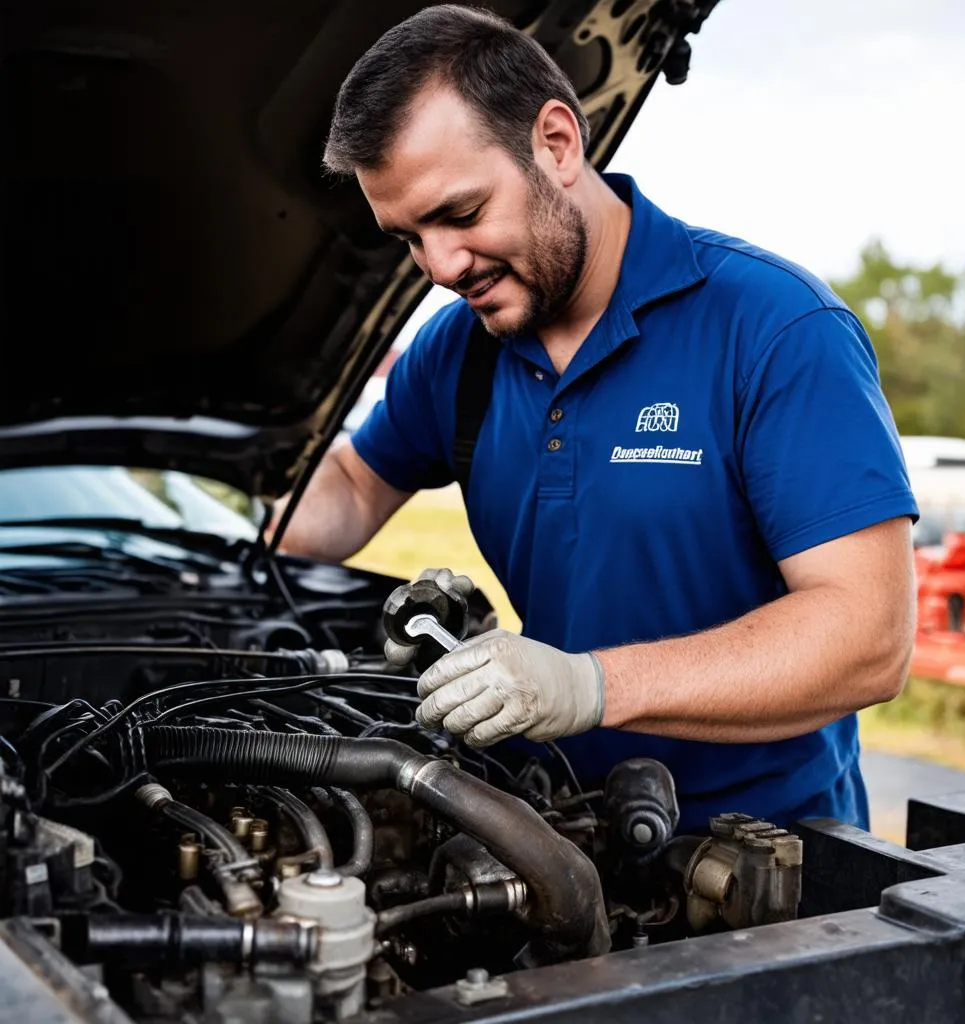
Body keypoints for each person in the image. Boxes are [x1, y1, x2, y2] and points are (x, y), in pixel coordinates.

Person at [268, 5, 919, 832]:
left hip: (758, 872)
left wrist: (589, 686)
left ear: (557, 143)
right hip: (550, 835)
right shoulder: (460, 350)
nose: (440, 267)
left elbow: (868, 637)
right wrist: (238, 525)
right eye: (409, 239)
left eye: (461, 215)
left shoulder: (773, 329)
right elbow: (354, 485)